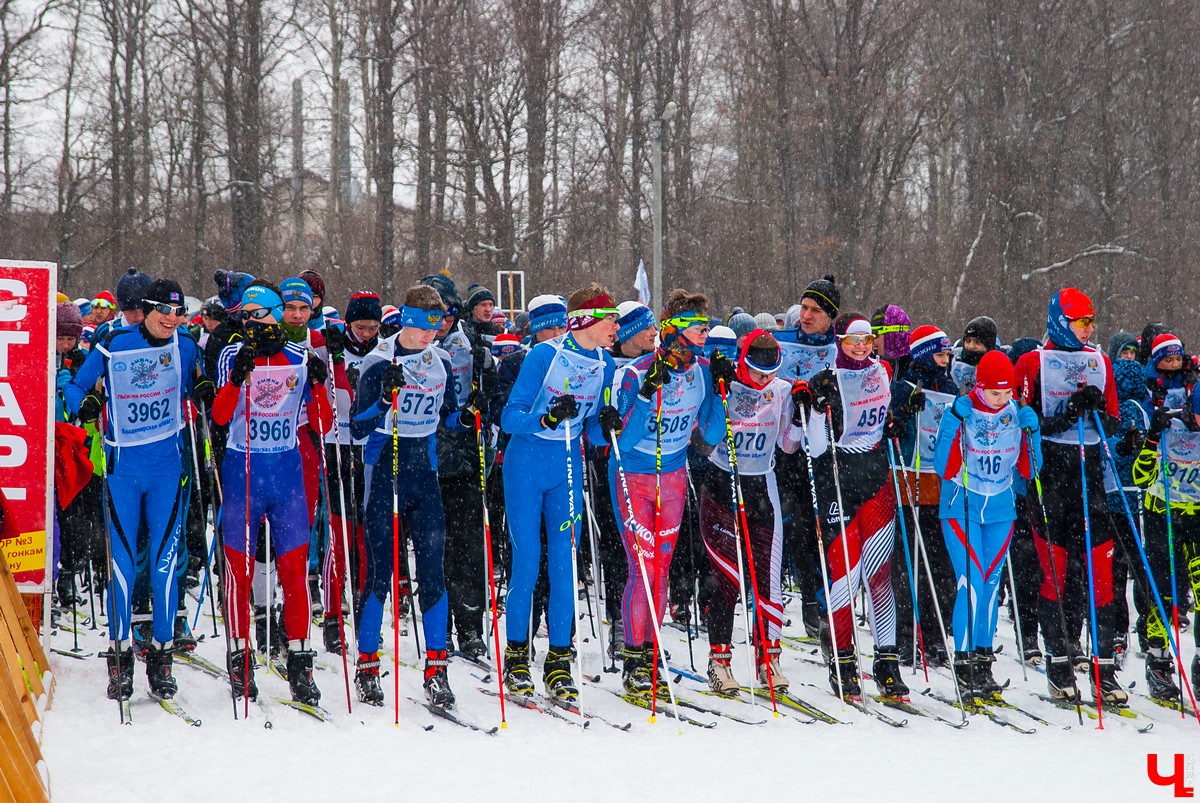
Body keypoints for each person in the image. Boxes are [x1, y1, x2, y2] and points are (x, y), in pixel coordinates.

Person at [65, 279, 212, 701]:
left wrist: (202, 388)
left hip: (168, 470)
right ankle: (121, 657)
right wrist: (86, 404)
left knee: (165, 564)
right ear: (145, 310)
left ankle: (162, 657)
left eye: (179, 313)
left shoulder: (185, 347)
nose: (172, 320)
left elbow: (201, 381)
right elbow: (75, 386)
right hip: (123, 471)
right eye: (165, 312)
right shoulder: (114, 345)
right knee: (123, 567)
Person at [349, 285, 479, 708]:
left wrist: (468, 416)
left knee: (433, 572)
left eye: (436, 326)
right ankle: (368, 665)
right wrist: (384, 399)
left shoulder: (441, 361)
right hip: (385, 470)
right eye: (424, 327)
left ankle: (437, 670)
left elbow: (448, 419)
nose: (431, 335)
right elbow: (357, 427)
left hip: (424, 475)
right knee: (380, 573)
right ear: (406, 319)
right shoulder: (378, 361)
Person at [212, 282, 332, 706]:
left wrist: (318, 385)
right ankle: (240, 658)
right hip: (243, 474)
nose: (250, 324)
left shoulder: (303, 356)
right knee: (238, 573)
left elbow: (323, 425)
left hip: (286, 477)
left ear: (277, 315)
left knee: (295, 574)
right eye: (244, 317)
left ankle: (300, 663)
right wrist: (235, 379)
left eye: (258, 315)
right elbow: (221, 415)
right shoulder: (232, 353)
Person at [499, 284, 619, 702]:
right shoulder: (543, 356)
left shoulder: (606, 364)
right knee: (528, 562)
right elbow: (510, 417)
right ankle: (515, 657)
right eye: (610, 319)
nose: (616, 327)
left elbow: (592, 431)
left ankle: (558, 661)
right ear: (585, 319)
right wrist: (546, 418)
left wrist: (606, 423)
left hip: (566, 469)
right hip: (526, 466)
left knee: (567, 564)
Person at [1013, 287, 1127, 704]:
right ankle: (1059, 665)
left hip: (1090, 476)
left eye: (1091, 321)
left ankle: (1104, 672)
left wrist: (1097, 408)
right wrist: (1064, 415)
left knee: (1101, 577)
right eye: (1081, 321)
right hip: (1051, 478)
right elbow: (1022, 421)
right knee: (1055, 575)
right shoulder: (1031, 362)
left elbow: (1112, 424)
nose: (1089, 328)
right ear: (1061, 320)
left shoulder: (1101, 361)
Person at [610, 289, 719, 698]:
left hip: (672, 477)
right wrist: (642, 398)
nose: (704, 333)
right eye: (696, 326)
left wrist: (720, 391)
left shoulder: (703, 372)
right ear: (672, 329)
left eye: (706, 326)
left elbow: (709, 434)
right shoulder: (636, 373)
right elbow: (625, 438)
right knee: (643, 569)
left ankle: (652, 651)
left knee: (662, 571)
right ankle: (635, 658)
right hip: (634, 475)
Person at [698, 330, 807, 694]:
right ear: (742, 363)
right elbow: (702, 439)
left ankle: (768, 658)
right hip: (721, 483)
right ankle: (720, 660)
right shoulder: (724, 383)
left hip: (762, 485)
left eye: (771, 373)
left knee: (767, 577)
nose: (764, 381)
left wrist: (804, 413)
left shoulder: (781, 391)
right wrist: (716, 389)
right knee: (726, 578)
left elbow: (789, 445)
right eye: (757, 374)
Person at [806, 313, 905, 700]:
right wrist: (816, 407)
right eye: (852, 340)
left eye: (866, 339)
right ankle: (843, 660)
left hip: (877, 477)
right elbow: (815, 448)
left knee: (880, 577)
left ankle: (888, 663)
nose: (861, 346)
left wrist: (895, 421)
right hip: (838, 478)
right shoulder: (827, 377)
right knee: (845, 578)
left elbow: (884, 417)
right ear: (839, 341)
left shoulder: (882, 372)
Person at [934, 350, 1041, 701]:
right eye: (995, 393)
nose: (1002, 399)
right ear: (980, 387)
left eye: (1008, 392)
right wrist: (952, 421)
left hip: (999, 510)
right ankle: (963, 664)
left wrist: (1033, 432)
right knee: (971, 583)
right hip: (961, 505)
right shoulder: (963, 408)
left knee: (991, 587)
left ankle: (983, 662)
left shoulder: (1013, 412)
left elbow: (1030, 470)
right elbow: (943, 468)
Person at [887, 324, 959, 667]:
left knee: (941, 568)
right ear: (925, 355)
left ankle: (935, 635)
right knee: (907, 569)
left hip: (940, 486)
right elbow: (890, 430)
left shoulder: (950, 388)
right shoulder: (902, 386)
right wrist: (903, 414)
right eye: (942, 353)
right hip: (907, 484)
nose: (947, 360)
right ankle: (906, 636)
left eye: (948, 354)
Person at [774, 275, 839, 637]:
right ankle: (810, 604)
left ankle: (826, 601)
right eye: (804, 307)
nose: (806, 315)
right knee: (795, 526)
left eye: (815, 310)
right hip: (786, 449)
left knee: (825, 528)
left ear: (831, 315)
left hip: (824, 448)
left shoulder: (839, 348)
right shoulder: (784, 342)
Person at [1131, 391, 1200, 703]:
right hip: (1163, 513)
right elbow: (1140, 477)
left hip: (1197, 516)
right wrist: (1150, 439)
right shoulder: (1169, 423)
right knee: (1165, 590)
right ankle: (1158, 662)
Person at [951, 316, 999, 393]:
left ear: (988, 345)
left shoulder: (999, 367)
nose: (971, 346)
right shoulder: (953, 361)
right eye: (967, 340)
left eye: (977, 342)